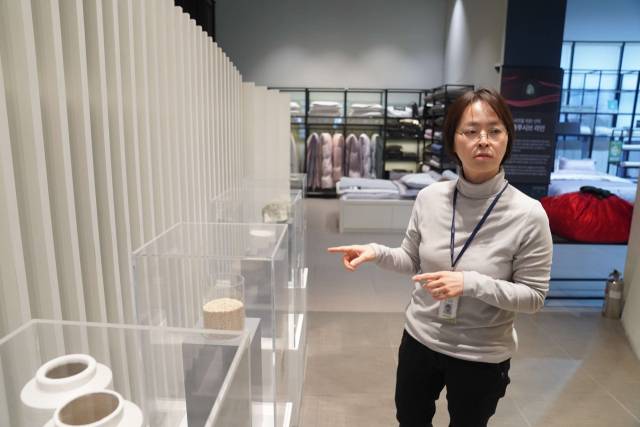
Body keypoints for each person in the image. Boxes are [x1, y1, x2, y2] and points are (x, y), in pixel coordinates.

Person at [328, 88, 553, 427]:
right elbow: (411, 259)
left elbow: (533, 297)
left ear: (508, 138)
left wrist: (470, 283)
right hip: (420, 339)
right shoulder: (430, 197)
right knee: (410, 420)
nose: (483, 141)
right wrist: (376, 252)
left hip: (481, 354)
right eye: (471, 131)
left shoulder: (529, 214)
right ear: (453, 141)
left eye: (494, 131)